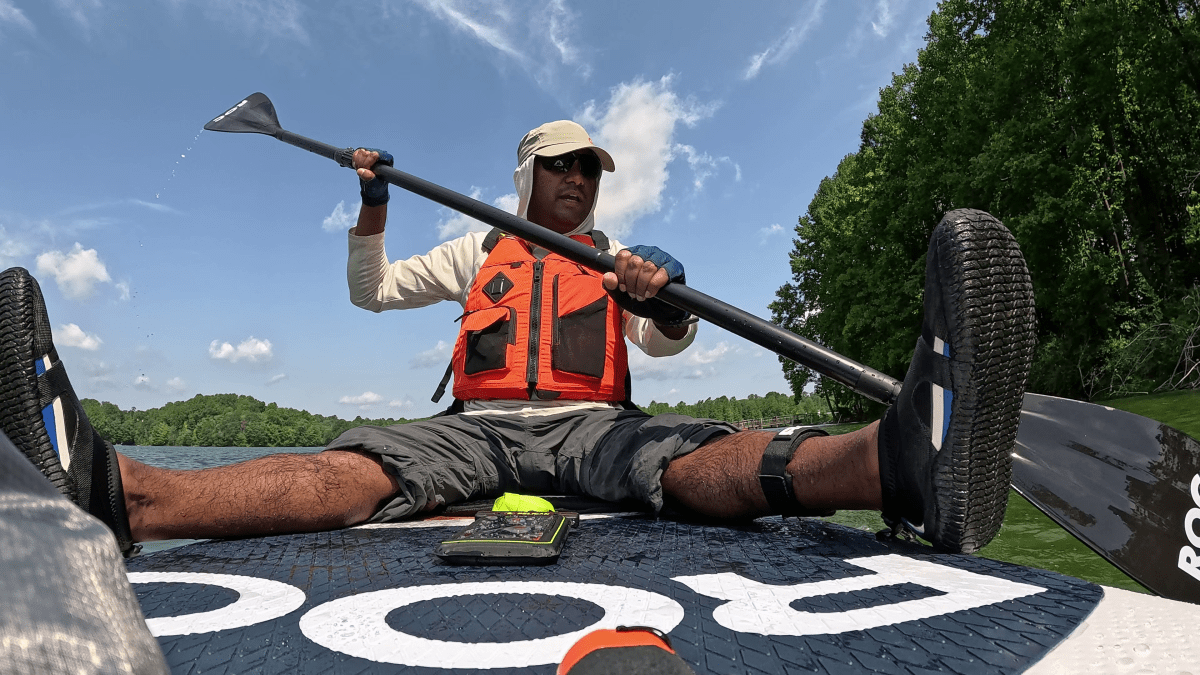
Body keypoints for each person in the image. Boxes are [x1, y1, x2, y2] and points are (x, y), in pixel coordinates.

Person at [0, 120, 1036, 560]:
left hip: (595, 429)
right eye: (564, 169)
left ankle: (900, 460)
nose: (580, 184)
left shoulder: (617, 255)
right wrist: (371, 207)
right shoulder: (474, 253)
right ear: (528, 174)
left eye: (591, 171)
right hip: (479, 432)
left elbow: (665, 345)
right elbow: (370, 295)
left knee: (684, 457)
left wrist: (664, 296)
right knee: (358, 468)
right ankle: (123, 491)